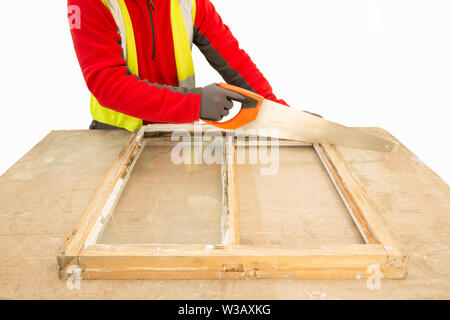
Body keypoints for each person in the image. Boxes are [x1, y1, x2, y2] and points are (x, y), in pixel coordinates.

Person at [68, 0, 287, 131]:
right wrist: (195, 103)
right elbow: (107, 84)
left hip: (176, 137)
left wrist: (282, 115)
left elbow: (234, 60)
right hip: (115, 138)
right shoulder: (91, 2)